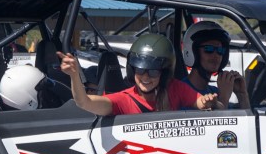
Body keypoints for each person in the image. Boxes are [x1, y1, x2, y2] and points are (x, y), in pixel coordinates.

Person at [57, 34, 219, 116]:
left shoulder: (175, 89)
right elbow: (83, 102)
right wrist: (74, 76)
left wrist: (209, 103)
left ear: (164, 73)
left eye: (153, 71)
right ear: (132, 70)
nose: (146, 77)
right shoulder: (123, 100)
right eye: (140, 70)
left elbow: (205, 103)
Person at [182, 22, 250, 109]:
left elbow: (246, 120)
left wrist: (242, 94)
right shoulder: (180, 91)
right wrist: (224, 98)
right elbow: (219, 122)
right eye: (209, 49)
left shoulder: (214, 92)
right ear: (193, 51)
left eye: (220, 50)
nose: (216, 55)